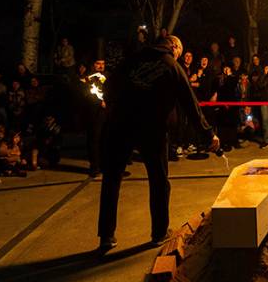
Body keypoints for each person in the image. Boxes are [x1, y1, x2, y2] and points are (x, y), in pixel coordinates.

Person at [96, 35, 218, 252]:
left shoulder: (133, 59)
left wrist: (115, 108)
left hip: (120, 124)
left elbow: (109, 86)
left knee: (112, 178)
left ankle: (106, 235)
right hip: (151, 128)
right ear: (173, 47)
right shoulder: (171, 66)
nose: (179, 54)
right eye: (179, 50)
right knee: (159, 180)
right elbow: (190, 103)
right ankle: (159, 233)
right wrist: (208, 135)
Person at [81, 59, 107, 177]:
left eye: (102, 64)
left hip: (105, 113)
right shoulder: (88, 78)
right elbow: (86, 93)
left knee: (104, 139)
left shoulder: (107, 77)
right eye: (98, 63)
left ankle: (103, 165)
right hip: (93, 113)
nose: (100, 66)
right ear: (93, 65)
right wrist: (98, 102)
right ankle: (94, 167)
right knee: (94, 138)